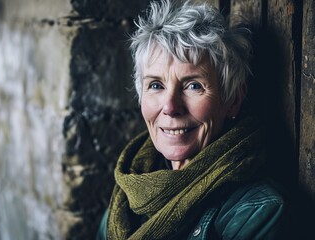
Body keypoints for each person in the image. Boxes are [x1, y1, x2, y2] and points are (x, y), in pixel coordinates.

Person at [97, 0, 288, 239]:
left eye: (193, 86)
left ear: (233, 100)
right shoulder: (129, 186)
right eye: (156, 85)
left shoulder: (257, 210)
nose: (170, 107)